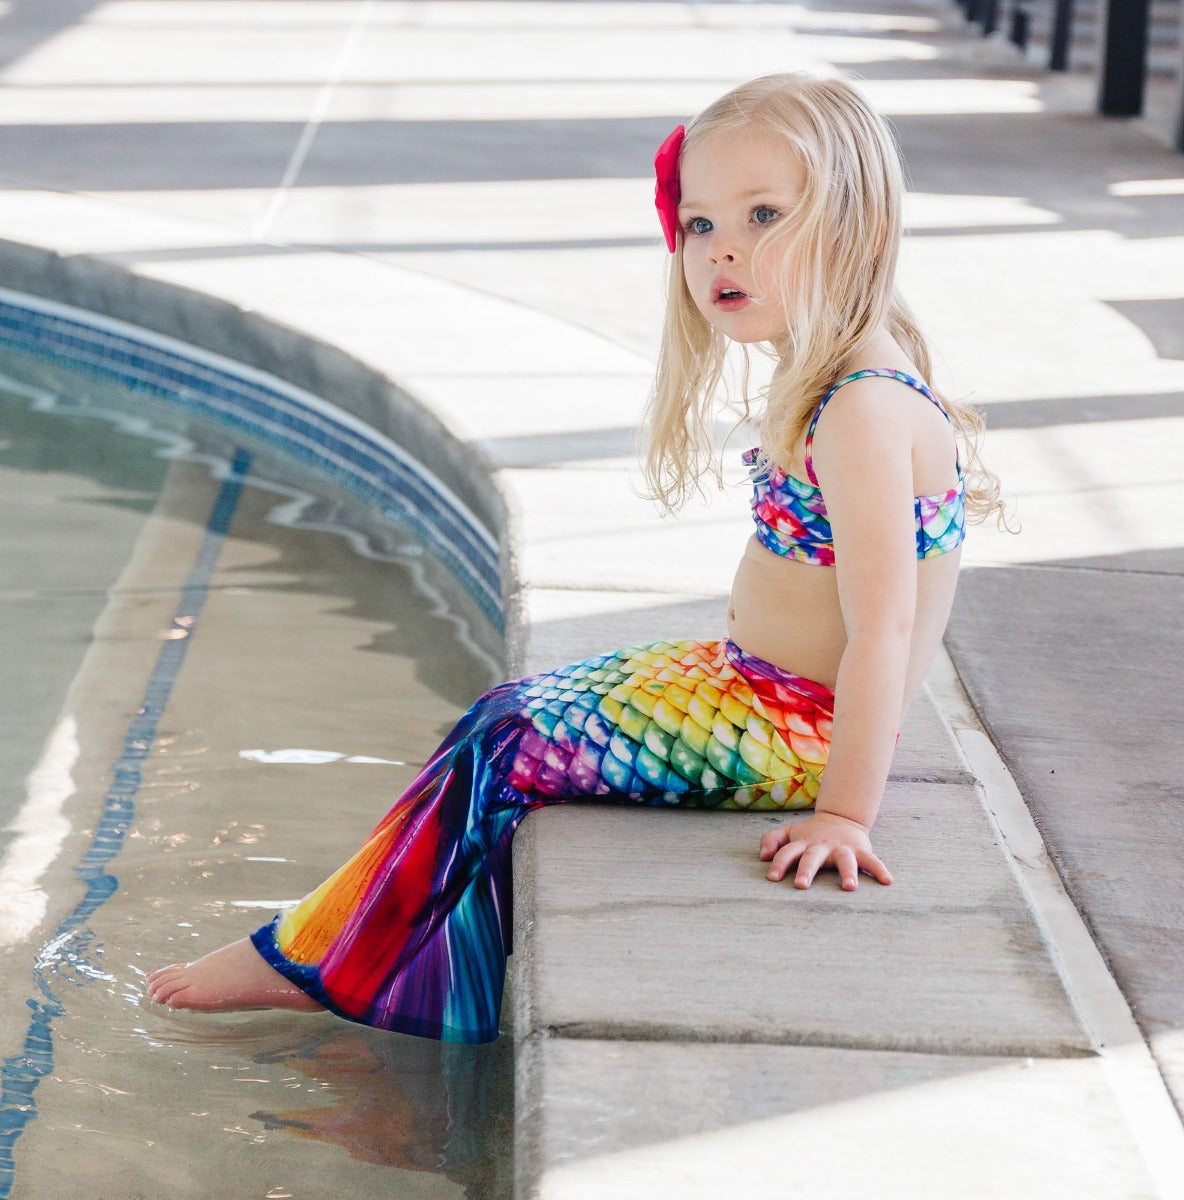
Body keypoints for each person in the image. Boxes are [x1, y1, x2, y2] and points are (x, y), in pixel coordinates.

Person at [147, 71, 1005, 1045]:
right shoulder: (839, 373)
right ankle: (409, 981)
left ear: (852, 223)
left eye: (764, 215)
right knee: (502, 722)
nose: (722, 248)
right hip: (757, 689)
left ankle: (317, 961)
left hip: (798, 728)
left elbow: (887, 624)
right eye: (699, 224)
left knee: (507, 744)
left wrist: (846, 813)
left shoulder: (859, 407)